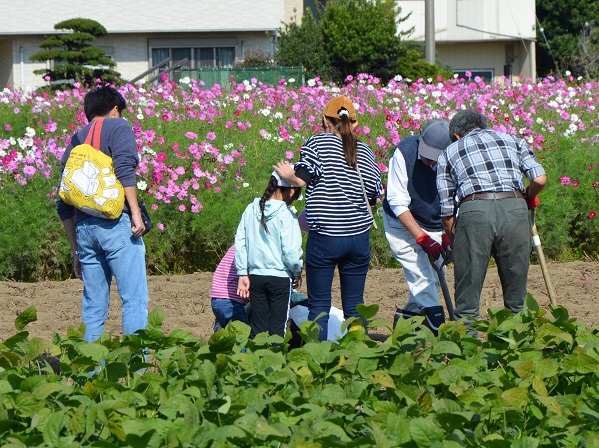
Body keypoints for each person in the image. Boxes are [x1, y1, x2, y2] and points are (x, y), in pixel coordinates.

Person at [274, 95, 382, 342]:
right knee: (355, 306)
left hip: (325, 237)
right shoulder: (364, 150)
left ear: (324, 120)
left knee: (319, 305)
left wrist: (287, 174)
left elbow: (301, 179)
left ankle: (319, 358)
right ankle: (359, 353)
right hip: (358, 237)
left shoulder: (317, 144)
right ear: (354, 124)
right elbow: (375, 192)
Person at [436, 109, 547, 335]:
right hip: (514, 208)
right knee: (517, 298)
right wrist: (526, 197)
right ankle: (520, 350)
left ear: (456, 135)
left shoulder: (449, 152)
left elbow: (447, 212)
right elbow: (539, 178)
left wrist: (458, 245)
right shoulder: (512, 140)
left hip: (474, 210)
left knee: (467, 302)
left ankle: (468, 356)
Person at [56, 85, 149, 343]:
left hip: (84, 230)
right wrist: (136, 214)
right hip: (116, 225)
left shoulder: (75, 140)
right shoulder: (119, 127)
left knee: (94, 309)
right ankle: (136, 373)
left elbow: (63, 202)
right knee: (133, 300)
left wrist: (76, 251)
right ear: (115, 109)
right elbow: (124, 169)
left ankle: (90, 374)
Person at [381, 119, 452, 335]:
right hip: (401, 222)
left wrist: (446, 234)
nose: (429, 160)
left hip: (434, 221)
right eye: (426, 153)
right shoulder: (404, 152)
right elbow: (397, 201)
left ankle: (405, 319)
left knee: (437, 275)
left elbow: (453, 197)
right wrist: (421, 238)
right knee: (421, 276)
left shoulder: (452, 158)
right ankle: (437, 329)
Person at [234, 168, 303, 338]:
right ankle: (275, 360)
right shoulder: (287, 216)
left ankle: (256, 360)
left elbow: (240, 242)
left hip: (256, 277)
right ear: (292, 190)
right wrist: (297, 271)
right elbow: (292, 253)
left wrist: (242, 272)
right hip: (280, 279)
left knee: (258, 327)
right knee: (278, 327)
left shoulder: (251, 209)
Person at [210, 245, 250, 331]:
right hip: (232, 302)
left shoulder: (235, 247)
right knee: (241, 334)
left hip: (217, 299)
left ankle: (219, 333)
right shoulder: (248, 250)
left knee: (224, 327)